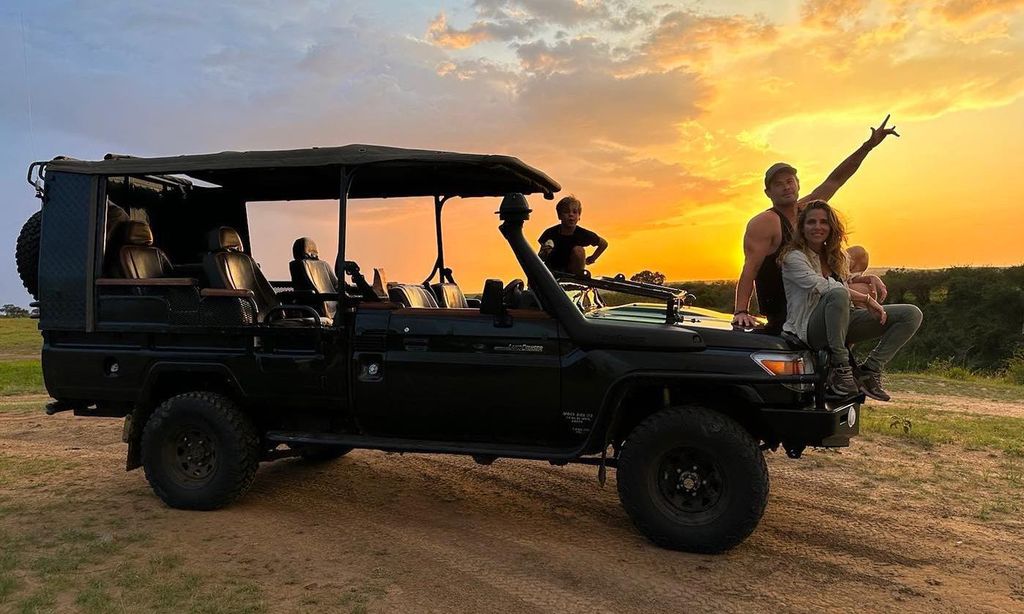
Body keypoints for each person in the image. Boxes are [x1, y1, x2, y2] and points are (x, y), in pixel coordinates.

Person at [733, 115, 899, 334]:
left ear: (798, 184)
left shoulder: (807, 209)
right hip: (789, 300)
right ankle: (839, 349)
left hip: (815, 288)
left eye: (790, 181)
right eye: (778, 184)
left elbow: (836, 180)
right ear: (768, 192)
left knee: (859, 256)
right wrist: (741, 311)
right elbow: (750, 268)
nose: (786, 187)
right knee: (860, 291)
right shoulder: (766, 222)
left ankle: (840, 344)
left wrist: (867, 147)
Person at [779, 200, 922, 401]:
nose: (818, 227)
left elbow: (842, 280)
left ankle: (870, 370)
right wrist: (867, 299)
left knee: (911, 314)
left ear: (831, 227)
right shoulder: (794, 257)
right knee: (838, 294)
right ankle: (841, 367)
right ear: (802, 227)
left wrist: (868, 278)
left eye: (824, 222)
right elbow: (825, 286)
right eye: (811, 222)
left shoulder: (835, 256)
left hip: (843, 320)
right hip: (810, 328)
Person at [538, 195, 608, 275]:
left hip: (572, 272)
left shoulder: (583, 234)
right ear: (559, 215)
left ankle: (576, 278)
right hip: (552, 271)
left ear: (579, 216)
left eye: (575, 212)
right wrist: (544, 252)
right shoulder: (550, 233)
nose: (571, 215)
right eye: (566, 212)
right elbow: (540, 258)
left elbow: (603, 243)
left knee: (579, 250)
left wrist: (592, 258)